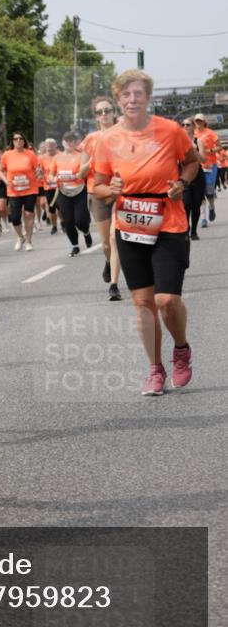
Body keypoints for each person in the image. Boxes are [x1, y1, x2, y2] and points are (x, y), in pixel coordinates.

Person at [93, 69, 199, 397]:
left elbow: (192, 162)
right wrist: (109, 190)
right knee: (142, 303)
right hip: (130, 223)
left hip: (168, 220)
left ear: (148, 97)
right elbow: (97, 185)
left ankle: (181, 349)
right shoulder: (107, 139)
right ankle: (155, 368)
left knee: (166, 300)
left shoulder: (170, 130)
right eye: (126, 94)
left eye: (138, 93)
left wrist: (181, 182)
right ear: (118, 99)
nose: (132, 99)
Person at [81, 97, 122, 300]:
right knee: (106, 243)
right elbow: (80, 172)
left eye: (107, 110)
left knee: (114, 238)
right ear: (96, 117)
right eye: (100, 112)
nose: (104, 114)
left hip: (120, 191)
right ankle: (108, 261)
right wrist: (92, 160)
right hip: (97, 192)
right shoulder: (91, 139)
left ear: (114, 112)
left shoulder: (124, 135)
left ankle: (114, 285)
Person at [52, 132, 92, 257]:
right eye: (66, 140)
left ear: (75, 143)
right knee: (68, 221)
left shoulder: (81, 156)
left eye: (71, 140)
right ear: (62, 142)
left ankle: (86, 232)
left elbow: (85, 172)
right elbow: (51, 175)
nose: (69, 143)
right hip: (63, 192)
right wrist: (53, 179)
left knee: (80, 220)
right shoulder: (57, 158)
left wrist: (78, 175)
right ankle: (75, 246)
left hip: (79, 190)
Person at [0, 133, 40, 251]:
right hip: (14, 191)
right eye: (16, 139)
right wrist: (6, 181)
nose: (18, 140)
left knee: (28, 214)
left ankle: (29, 241)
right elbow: (0, 171)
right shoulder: (7, 155)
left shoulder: (30, 154)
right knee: (15, 217)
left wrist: (39, 172)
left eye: (21, 138)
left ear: (24, 141)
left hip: (30, 189)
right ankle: (20, 237)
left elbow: (37, 169)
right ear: (12, 141)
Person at [181, 118, 206, 241]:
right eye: (183, 125)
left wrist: (194, 150)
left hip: (197, 176)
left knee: (196, 205)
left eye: (188, 125)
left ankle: (194, 231)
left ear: (193, 127)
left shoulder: (198, 141)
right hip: (183, 176)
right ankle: (186, 230)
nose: (185, 127)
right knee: (186, 204)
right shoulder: (178, 142)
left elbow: (203, 159)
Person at [193, 114, 220, 224]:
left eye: (200, 120)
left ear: (204, 122)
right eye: (196, 121)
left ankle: (211, 207)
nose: (198, 122)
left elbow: (219, 147)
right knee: (200, 192)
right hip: (198, 166)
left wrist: (209, 151)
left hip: (210, 165)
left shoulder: (211, 133)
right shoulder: (193, 133)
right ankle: (203, 218)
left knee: (209, 192)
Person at [40, 138, 59, 235]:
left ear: (55, 146)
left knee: (62, 207)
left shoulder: (60, 155)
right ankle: (54, 226)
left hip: (60, 186)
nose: (49, 147)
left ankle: (64, 223)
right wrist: (42, 177)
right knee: (51, 208)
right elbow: (40, 171)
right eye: (47, 145)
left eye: (51, 145)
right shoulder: (42, 158)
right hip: (48, 186)